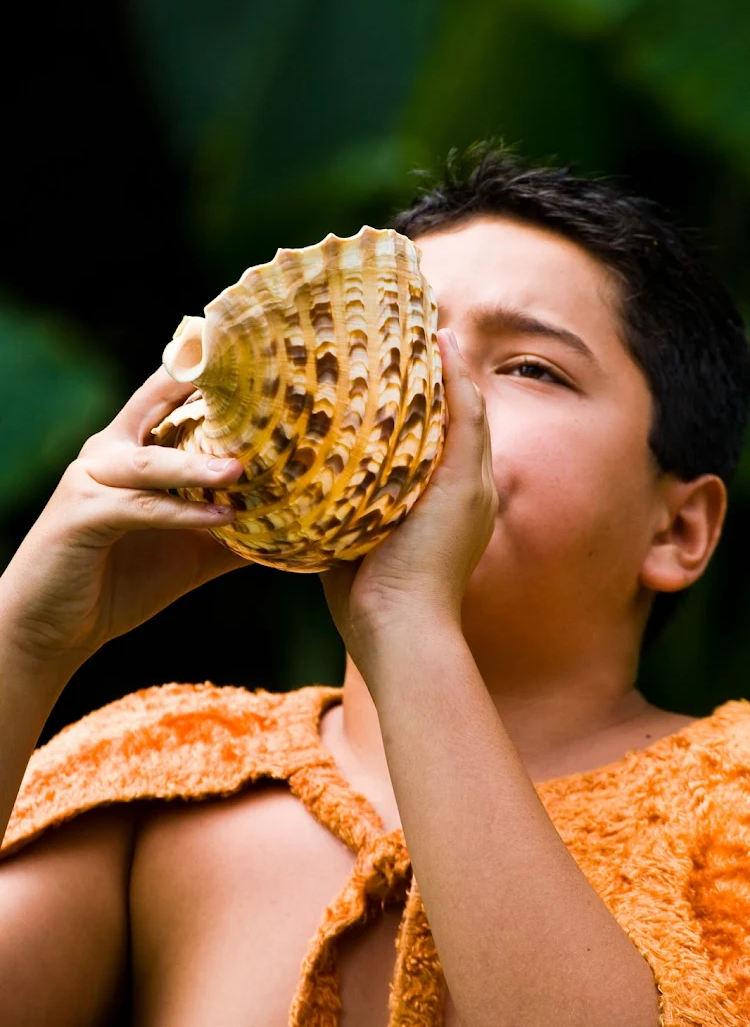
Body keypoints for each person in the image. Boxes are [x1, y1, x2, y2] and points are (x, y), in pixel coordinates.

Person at [1, 143, 749, 1027]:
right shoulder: (161, 772)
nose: (429, 390)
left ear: (678, 529)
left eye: (528, 368)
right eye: (389, 341)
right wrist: (25, 640)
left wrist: (408, 624)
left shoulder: (729, 798)